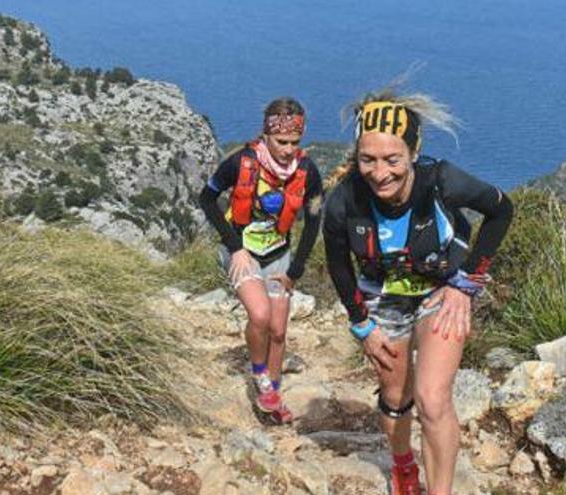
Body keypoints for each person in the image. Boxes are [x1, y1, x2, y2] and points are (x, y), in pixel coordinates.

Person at [323, 90, 513, 495]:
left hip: (442, 290)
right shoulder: (343, 201)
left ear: (414, 151)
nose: (379, 173)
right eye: (367, 160)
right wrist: (362, 326)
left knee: (431, 399)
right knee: (396, 396)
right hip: (381, 298)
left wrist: (468, 284)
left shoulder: (440, 181)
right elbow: (339, 266)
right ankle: (403, 466)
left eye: (393, 160)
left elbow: (502, 209)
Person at [199, 97, 323, 424]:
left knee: (279, 332)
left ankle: (273, 395)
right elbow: (207, 198)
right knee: (261, 314)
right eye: (281, 141)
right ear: (266, 135)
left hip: (278, 255)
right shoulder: (241, 162)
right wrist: (232, 245)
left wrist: (295, 270)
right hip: (242, 252)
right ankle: (260, 376)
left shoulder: (307, 171)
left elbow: (313, 222)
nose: (287, 149)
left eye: (294, 143)